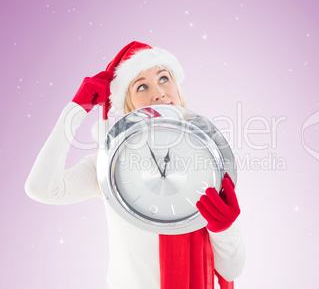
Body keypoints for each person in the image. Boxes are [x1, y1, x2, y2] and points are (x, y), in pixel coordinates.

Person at [25, 41, 246, 289]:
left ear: (177, 87)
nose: (159, 93)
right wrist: (78, 108)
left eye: (164, 78)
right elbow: (41, 188)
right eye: (142, 86)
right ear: (128, 105)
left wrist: (224, 229)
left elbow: (231, 269)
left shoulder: (211, 159)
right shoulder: (109, 164)